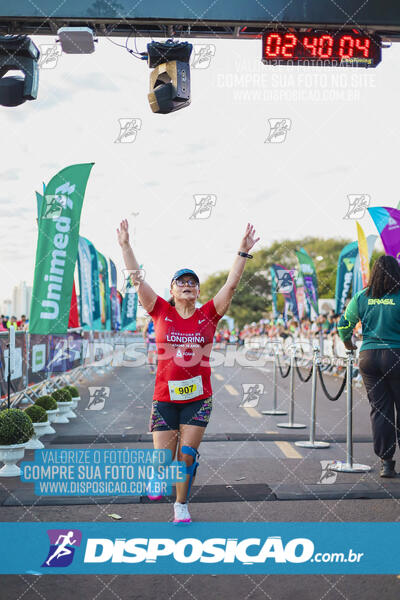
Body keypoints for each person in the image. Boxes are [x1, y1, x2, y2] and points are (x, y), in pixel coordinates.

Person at [117, 219, 259, 523]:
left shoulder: (208, 314)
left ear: (198, 291)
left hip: (198, 398)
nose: (187, 285)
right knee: (164, 459)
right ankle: (158, 475)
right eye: (181, 282)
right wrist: (126, 245)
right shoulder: (160, 311)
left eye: (192, 282)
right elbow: (137, 282)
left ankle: (180, 505)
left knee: (187, 457)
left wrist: (242, 252)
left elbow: (231, 284)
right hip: (165, 397)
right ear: (171, 289)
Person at [338, 255, 400, 478]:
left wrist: (349, 344)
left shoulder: (362, 296)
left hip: (369, 357)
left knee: (381, 410)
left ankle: (386, 463)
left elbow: (344, 325)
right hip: (397, 355)